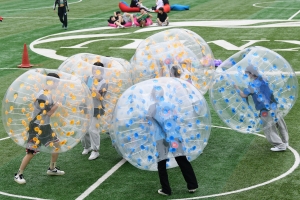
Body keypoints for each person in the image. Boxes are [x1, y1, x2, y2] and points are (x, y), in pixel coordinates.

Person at [14, 73, 65, 184]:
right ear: (52, 82)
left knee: (56, 145)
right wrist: (59, 103)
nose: (58, 85)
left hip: (45, 126)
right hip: (36, 127)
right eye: (57, 82)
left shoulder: (48, 93)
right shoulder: (42, 96)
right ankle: (18, 174)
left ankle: (52, 169)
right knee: (31, 152)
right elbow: (49, 113)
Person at [148, 86, 198, 196]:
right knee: (182, 159)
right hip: (174, 135)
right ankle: (192, 185)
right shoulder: (170, 105)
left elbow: (150, 123)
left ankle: (166, 189)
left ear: (152, 95)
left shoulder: (152, 108)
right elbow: (176, 118)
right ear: (163, 94)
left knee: (161, 163)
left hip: (160, 138)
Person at [234, 65, 289, 152]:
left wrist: (236, 87)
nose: (246, 75)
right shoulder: (264, 78)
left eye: (247, 73)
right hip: (273, 105)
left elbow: (243, 95)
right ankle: (285, 141)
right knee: (280, 123)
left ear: (251, 73)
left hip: (265, 109)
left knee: (269, 127)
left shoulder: (252, 85)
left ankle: (280, 145)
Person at [81, 62, 108, 160]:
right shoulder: (88, 78)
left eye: (97, 70)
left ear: (101, 71)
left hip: (97, 108)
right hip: (85, 106)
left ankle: (95, 150)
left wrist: (93, 89)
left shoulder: (104, 82)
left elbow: (100, 97)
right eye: (94, 70)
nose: (95, 72)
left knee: (93, 129)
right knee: (84, 129)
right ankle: (86, 147)